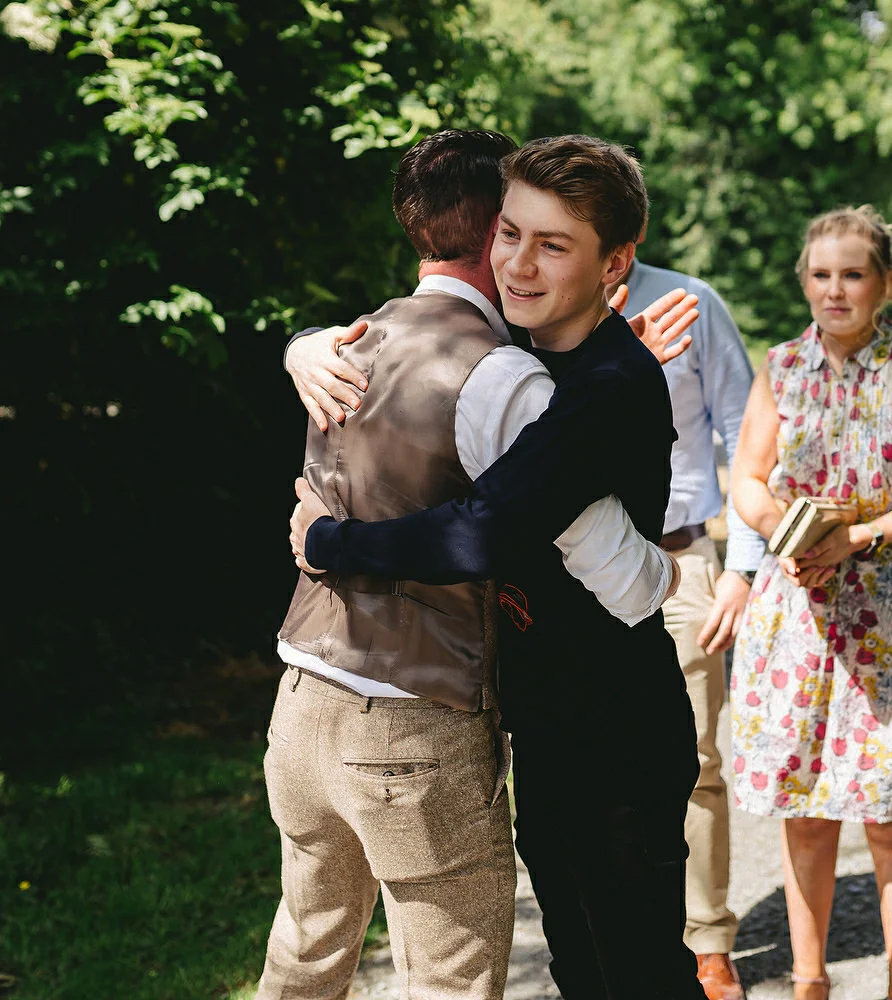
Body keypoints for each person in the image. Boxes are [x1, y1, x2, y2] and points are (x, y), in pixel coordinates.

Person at [259, 129, 688, 999]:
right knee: (546, 970)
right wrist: (301, 342)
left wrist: (327, 541)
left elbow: (501, 533)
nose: (520, 262)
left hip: (599, 726)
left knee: (634, 971)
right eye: (512, 235)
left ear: (614, 262)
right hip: (503, 721)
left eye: (551, 244)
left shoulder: (560, 381)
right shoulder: (526, 369)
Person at [730, 205, 892, 1000]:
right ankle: (810, 978)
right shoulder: (780, 366)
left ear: (885, 282)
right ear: (804, 281)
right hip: (798, 607)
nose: (834, 290)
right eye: (821, 275)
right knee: (805, 807)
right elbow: (748, 479)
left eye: (852, 274)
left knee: (888, 807)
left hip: (888, 607)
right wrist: (783, 530)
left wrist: (862, 535)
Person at [605, 236, 763, 999]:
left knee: (694, 762)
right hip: (567, 574)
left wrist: (743, 567)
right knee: (588, 765)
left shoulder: (691, 303)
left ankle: (708, 940)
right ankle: (617, 936)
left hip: (681, 563)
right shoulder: (529, 303)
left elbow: (749, 435)